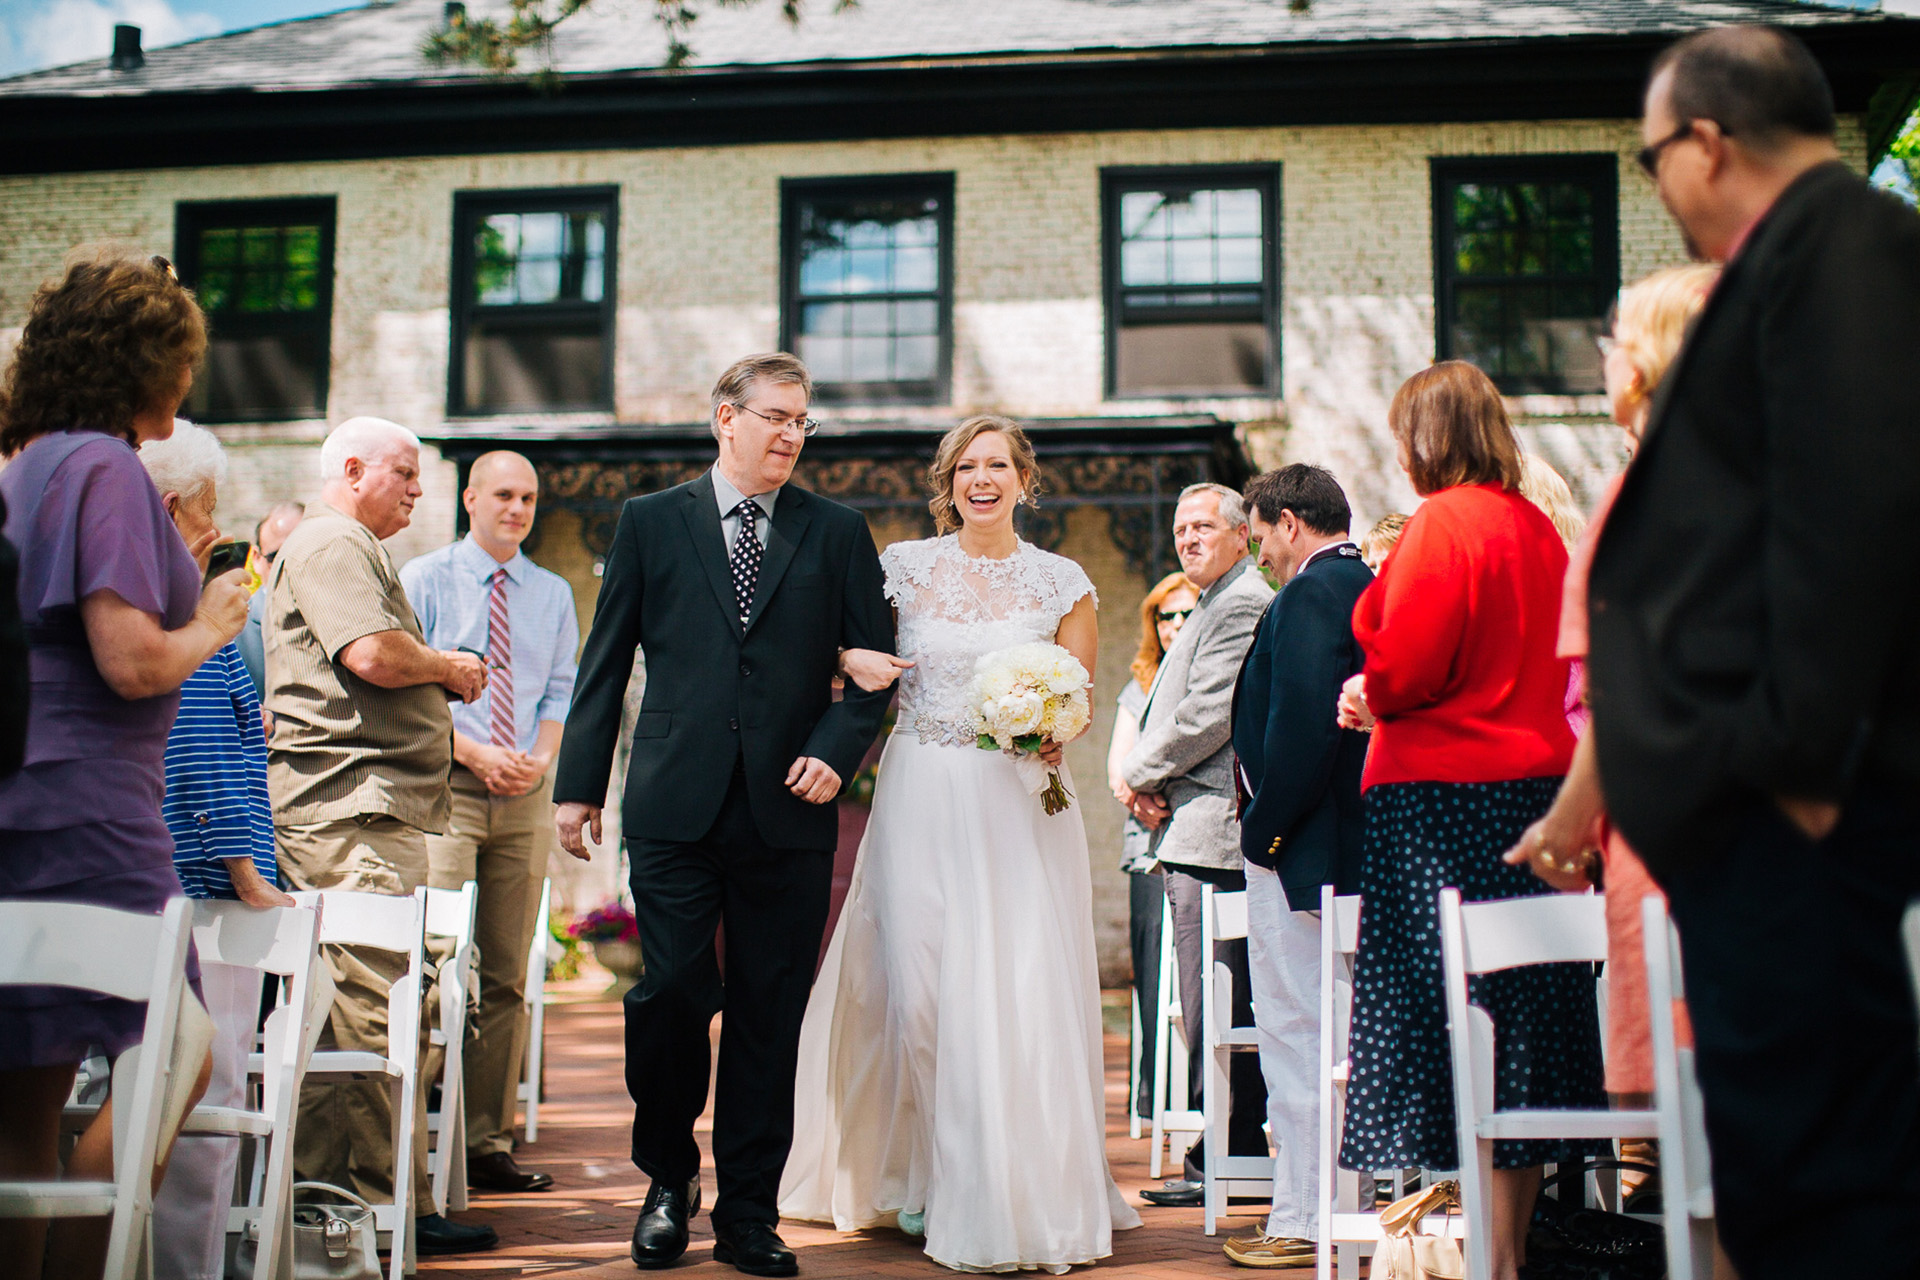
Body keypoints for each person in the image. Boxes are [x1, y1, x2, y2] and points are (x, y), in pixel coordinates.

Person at [1586, 26, 1920, 1276]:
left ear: (1707, 143)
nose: (1658, 182)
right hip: (1766, 813)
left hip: (1798, 813)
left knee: (1823, 1170)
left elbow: (1860, 509)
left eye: (1650, 155)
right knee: (1782, 1168)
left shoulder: (1844, 249)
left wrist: (1800, 765)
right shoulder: (1803, 258)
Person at [553, 353, 896, 1278]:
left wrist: (835, 749)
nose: (790, 434)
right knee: (669, 993)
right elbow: (606, 656)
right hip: (674, 801)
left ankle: (749, 1210)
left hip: (787, 808)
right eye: (775, 417)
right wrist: (578, 783)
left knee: (764, 1013)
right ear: (726, 419)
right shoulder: (650, 522)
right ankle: (667, 1183)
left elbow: (874, 665)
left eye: (802, 421)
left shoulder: (836, 532)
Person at [781, 416, 1141, 1272]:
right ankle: (926, 1165)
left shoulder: (1063, 583)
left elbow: (1079, 699)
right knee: (916, 987)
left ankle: (992, 1187)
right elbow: (843, 652)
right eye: (967, 467)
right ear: (948, 484)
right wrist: (844, 659)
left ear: (1024, 480)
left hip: (1016, 807)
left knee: (1012, 987)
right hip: (919, 793)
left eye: (998, 466)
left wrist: (1055, 726)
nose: (983, 479)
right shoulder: (901, 569)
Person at [0, 248, 240, 1280]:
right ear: (148, 359)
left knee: (24, 1104)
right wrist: (218, 617)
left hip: (20, 797)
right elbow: (133, 659)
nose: (190, 379)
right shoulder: (105, 466)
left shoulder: (27, 463)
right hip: (95, 811)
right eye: (184, 353)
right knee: (176, 1056)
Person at [1334, 361, 1600, 1280]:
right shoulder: (1538, 528)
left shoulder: (1444, 523)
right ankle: (1505, 1252)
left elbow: (1409, 664)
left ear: (1426, 438)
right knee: (1519, 1019)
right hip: (1535, 791)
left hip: (1440, 796)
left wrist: (1373, 688)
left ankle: (1488, 1259)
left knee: (1444, 1017)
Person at [265, 415, 495, 1256]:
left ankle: (340, 1211)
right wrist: (449, 666)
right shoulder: (333, 543)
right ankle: (361, 1218)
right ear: (353, 468)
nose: (417, 489)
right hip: (352, 814)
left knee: (358, 1011)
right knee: (369, 1012)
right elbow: (372, 654)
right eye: (404, 472)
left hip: (365, 812)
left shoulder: (348, 545)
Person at [1504, 265, 1719, 1131]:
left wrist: (1564, 825)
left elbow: (1622, 691)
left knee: (1698, 1110)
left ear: (1648, 362)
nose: (1601, 360)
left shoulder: (1657, 489)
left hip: (1673, 825)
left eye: (1613, 341)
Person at [139, 420, 299, 1280]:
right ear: (170, 509)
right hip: (206, 889)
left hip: (171, 875)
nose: (215, 529)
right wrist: (249, 874)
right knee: (212, 1092)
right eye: (206, 510)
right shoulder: (188, 613)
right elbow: (203, 747)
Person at [400, 450, 578, 1195]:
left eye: (529, 498)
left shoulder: (553, 592)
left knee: (507, 974)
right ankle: (414, 1146)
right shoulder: (425, 579)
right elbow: (407, 690)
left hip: (524, 794)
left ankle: (484, 1144)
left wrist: (537, 761)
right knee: (439, 963)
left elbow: (561, 689)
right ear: (470, 498)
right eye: (504, 494)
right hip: (450, 786)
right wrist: (475, 753)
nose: (517, 509)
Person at [1221, 465, 1372, 1269]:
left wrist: (1263, 835)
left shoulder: (1314, 593)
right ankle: (1337, 1203)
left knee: (1297, 1031)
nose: (1259, 552)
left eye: (1257, 532)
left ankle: (1304, 1219)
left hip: (1305, 851)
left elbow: (1306, 729)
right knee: (1334, 1030)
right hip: (1347, 848)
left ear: (1287, 522)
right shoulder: (1367, 583)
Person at [1120, 482, 1273, 1207]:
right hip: (1186, 821)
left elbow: (1208, 715)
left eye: (1204, 526)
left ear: (1243, 534)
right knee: (1206, 999)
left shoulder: (1242, 601)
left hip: (1213, 833)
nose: (1187, 537)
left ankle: (1233, 1150)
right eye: (1180, 527)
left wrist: (1136, 774)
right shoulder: (1212, 600)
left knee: (1220, 999)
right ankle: (1224, 1145)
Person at [1108, 570, 1198, 1124]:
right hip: (1148, 847)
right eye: (1167, 616)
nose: (1176, 625)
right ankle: (1151, 1095)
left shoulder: (1210, 672)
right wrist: (1134, 795)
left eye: (1187, 613)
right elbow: (1119, 762)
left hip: (1197, 841)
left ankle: (1195, 1099)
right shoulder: (1140, 683)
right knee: (1152, 971)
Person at [237, 500, 304, 699]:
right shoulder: (235, 630)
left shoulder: (339, 616)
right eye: (277, 557)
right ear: (256, 558)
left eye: (302, 555)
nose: (292, 568)